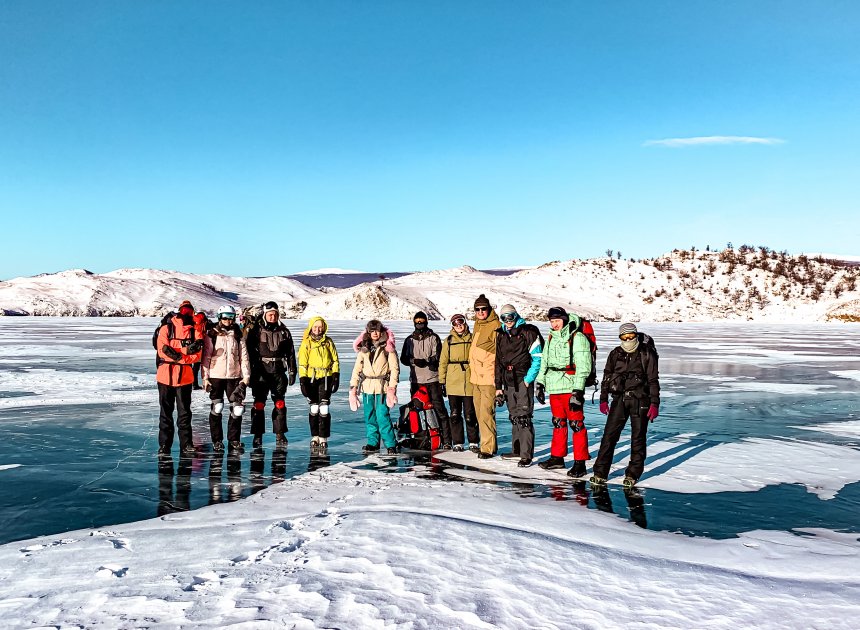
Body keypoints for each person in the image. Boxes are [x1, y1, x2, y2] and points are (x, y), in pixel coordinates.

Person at [591, 323, 660, 488]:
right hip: (619, 399)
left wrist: (654, 403)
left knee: (638, 438)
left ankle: (633, 474)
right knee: (609, 436)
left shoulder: (646, 353)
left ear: (636, 335)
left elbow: (653, 380)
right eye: (624, 337)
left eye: (631, 336)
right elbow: (607, 376)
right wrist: (603, 398)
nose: (628, 340)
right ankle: (600, 473)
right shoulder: (615, 353)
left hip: (640, 400)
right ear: (620, 338)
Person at [535, 307, 592, 477]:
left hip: (571, 387)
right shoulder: (551, 337)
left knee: (576, 424)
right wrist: (540, 383)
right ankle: (557, 458)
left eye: (557, 321)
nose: (554, 324)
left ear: (565, 320)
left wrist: (578, 391)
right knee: (558, 422)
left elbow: (583, 366)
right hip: (554, 387)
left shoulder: (578, 337)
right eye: (552, 321)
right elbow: (544, 362)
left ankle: (580, 462)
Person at [494, 304, 543, 467]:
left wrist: (528, 379)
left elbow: (538, 358)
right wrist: (498, 386)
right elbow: (498, 362)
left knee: (524, 418)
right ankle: (517, 451)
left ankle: (526, 455)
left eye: (511, 317)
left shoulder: (529, 332)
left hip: (522, 379)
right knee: (514, 417)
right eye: (504, 318)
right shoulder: (501, 334)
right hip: (508, 380)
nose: (508, 320)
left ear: (516, 316)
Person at [155, 300, 204, 456]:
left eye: (189, 311)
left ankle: (187, 444)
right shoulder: (166, 328)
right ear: (179, 311)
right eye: (184, 311)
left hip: (185, 378)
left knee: (184, 413)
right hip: (165, 377)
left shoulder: (195, 331)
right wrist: (185, 352)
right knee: (165, 413)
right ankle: (164, 445)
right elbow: (163, 351)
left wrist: (176, 354)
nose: (186, 314)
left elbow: (197, 356)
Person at [246, 301, 297, 449]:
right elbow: (248, 353)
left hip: (278, 372)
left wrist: (292, 370)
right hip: (260, 372)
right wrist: (249, 373)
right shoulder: (256, 331)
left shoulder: (284, 331)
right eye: (270, 315)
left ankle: (280, 434)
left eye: (275, 314)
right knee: (259, 404)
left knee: (280, 403)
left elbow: (291, 353)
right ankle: (257, 435)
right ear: (265, 315)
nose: (273, 317)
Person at [201, 305, 251, 454]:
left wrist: (246, 376)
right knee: (217, 407)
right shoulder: (212, 334)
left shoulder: (238, 334)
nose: (228, 320)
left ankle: (234, 439)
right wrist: (205, 378)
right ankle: (217, 440)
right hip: (216, 376)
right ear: (219, 317)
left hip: (234, 376)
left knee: (237, 408)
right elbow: (206, 357)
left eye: (231, 317)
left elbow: (244, 357)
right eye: (225, 317)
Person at [400, 311, 452, 449]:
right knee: (417, 411)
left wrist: (428, 361)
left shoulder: (433, 338)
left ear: (426, 322)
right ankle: (421, 438)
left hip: (432, 380)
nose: (419, 323)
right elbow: (403, 358)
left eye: (422, 321)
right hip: (416, 381)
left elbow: (439, 356)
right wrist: (413, 361)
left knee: (439, 410)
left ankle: (446, 440)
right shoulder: (409, 340)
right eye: (417, 321)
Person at [350, 320, 400, 455]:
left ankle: (390, 444)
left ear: (381, 331)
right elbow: (357, 369)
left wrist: (392, 389)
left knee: (382, 416)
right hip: (367, 387)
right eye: (372, 331)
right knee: (370, 416)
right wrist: (353, 388)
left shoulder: (387, 348)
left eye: (377, 330)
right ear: (368, 332)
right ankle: (373, 442)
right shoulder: (364, 348)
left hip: (382, 388)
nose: (375, 333)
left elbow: (394, 369)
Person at [298, 316, 340, 455]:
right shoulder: (306, 343)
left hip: (326, 377)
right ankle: (315, 436)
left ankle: (323, 437)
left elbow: (335, 360)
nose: (317, 329)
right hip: (311, 378)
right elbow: (302, 363)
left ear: (324, 328)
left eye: (320, 327)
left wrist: (336, 375)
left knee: (324, 408)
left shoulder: (328, 342)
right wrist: (302, 380)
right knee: (314, 407)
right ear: (311, 327)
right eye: (315, 327)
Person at [438, 313, 480, 452]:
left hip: (469, 380)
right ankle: (458, 442)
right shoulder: (448, 341)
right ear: (452, 326)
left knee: (470, 414)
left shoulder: (473, 338)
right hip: (453, 381)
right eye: (455, 323)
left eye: (460, 322)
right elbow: (443, 362)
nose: (458, 325)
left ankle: (473, 441)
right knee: (455, 414)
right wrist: (442, 381)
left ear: (465, 323)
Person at [468, 294, 500, 459]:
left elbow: (500, 352)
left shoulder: (496, 325)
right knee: (480, 414)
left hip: (488, 377)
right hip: (476, 378)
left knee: (486, 413)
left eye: (483, 309)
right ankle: (488, 444)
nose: (480, 312)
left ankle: (487, 448)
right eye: (477, 309)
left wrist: (497, 377)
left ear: (489, 309)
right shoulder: (477, 325)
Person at [191, 310, 211, 390]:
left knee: (194, 367)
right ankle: (196, 384)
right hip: (201, 347)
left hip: (193, 346)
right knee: (200, 367)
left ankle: (192, 383)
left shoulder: (194, 322)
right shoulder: (204, 323)